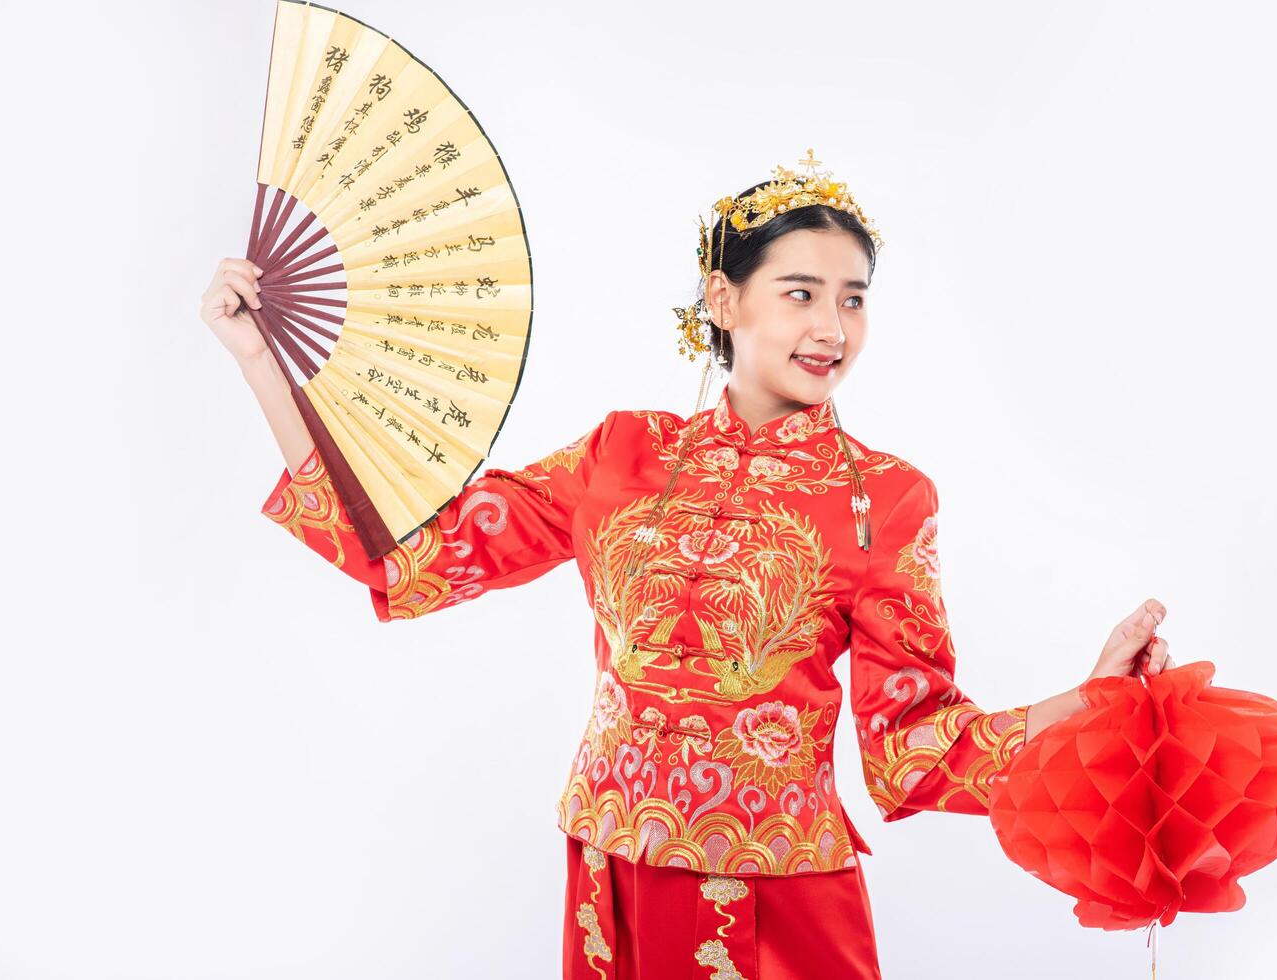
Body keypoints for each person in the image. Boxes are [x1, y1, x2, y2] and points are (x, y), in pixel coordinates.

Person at [200, 149, 1174, 979]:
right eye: (800, 292)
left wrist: (1084, 702)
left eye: (851, 299)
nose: (831, 327)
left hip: (772, 900)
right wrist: (261, 366)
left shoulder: (883, 497)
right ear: (724, 297)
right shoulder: (618, 454)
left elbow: (909, 745)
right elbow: (417, 560)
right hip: (608, 876)